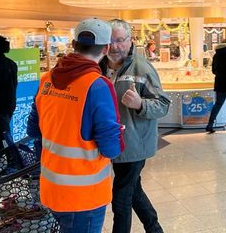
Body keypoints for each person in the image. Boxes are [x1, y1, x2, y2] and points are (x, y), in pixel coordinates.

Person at [27, 18, 125, 233]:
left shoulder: (47, 79)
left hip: (51, 186)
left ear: (73, 44)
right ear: (106, 48)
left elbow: (33, 130)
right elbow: (110, 148)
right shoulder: (97, 85)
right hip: (84, 194)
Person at [100, 19, 170, 233]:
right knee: (133, 190)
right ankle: (154, 228)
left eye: (120, 40)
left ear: (130, 40)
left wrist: (140, 104)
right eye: (110, 41)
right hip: (111, 143)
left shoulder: (142, 68)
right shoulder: (99, 66)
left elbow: (163, 104)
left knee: (121, 200)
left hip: (133, 145)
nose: (115, 46)